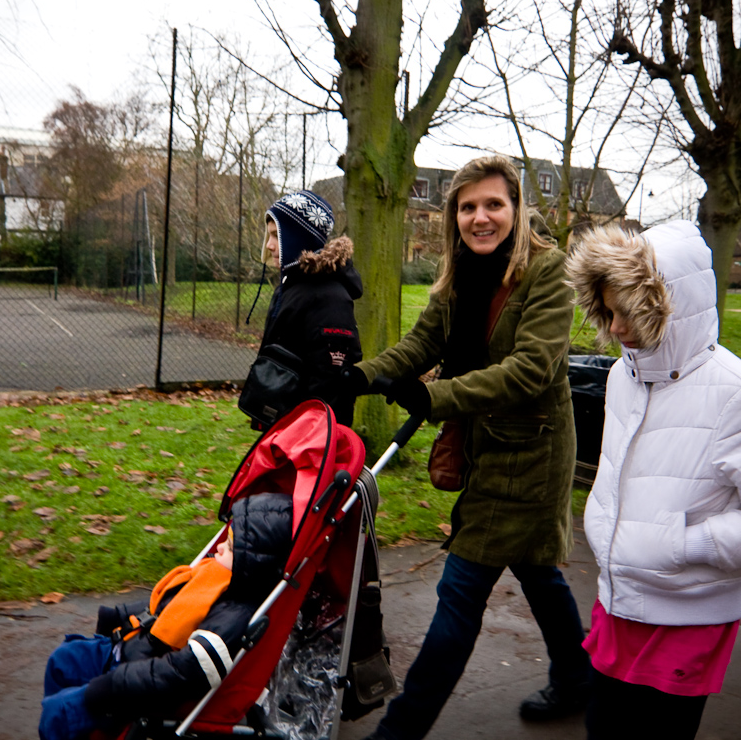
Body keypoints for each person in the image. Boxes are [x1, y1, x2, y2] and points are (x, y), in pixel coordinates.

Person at [348, 154, 592, 740]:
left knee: (460, 591)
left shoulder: (547, 272)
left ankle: (398, 733)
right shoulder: (457, 275)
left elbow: (530, 369)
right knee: (537, 571)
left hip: (532, 453)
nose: (480, 218)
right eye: (467, 207)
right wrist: (358, 377)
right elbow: (422, 341)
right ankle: (579, 677)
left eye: (493, 205)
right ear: (454, 214)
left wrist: (436, 399)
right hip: (488, 444)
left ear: (516, 209)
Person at [565, 220, 741, 740]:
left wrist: (683, 544)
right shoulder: (621, 376)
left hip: (687, 616)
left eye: (628, 312)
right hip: (618, 600)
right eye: (608, 311)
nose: (614, 327)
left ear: (670, 306)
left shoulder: (740, 394)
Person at [39, 493, 293, 740]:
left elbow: (187, 671)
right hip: (134, 648)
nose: (218, 548)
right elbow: (170, 607)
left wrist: (115, 685)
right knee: (64, 660)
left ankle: (83, 724)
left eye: (227, 547)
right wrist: (120, 615)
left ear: (250, 565)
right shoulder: (216, 579)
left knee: (57, 714)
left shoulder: (234, 616)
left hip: (139, 681)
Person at [242, 190, 362, 427]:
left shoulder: (329, 296)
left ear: (298, 236)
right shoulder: (291, 285)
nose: (270, 245)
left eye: (277, 235)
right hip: (284, 423)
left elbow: (329, 378)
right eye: (269, 236)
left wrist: (302, 432)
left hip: (307, 435)